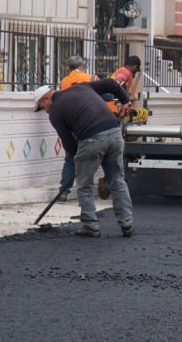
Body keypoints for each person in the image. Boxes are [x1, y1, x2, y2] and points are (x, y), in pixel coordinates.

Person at [33, 79, 135, 237]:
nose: (44, 110)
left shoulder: (55, 112)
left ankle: (90, 225)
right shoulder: (81, 87)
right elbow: (110, 83)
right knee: (117, 180)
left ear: (47, 99)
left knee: (84, 184)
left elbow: (69, 143)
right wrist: (126, 100)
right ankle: (127, 223)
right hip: (115, 133)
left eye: (42, 107)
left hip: (92, 138)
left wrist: (78, 163)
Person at [55, 56, 97, 201]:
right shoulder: (90, 78)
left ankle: (64, 191)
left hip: (70, 124)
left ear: (69, 68)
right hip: (89, 123)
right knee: (92, 157)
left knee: (70, 158)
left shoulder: (63, 82)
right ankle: (86, 192)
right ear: (83, 66)